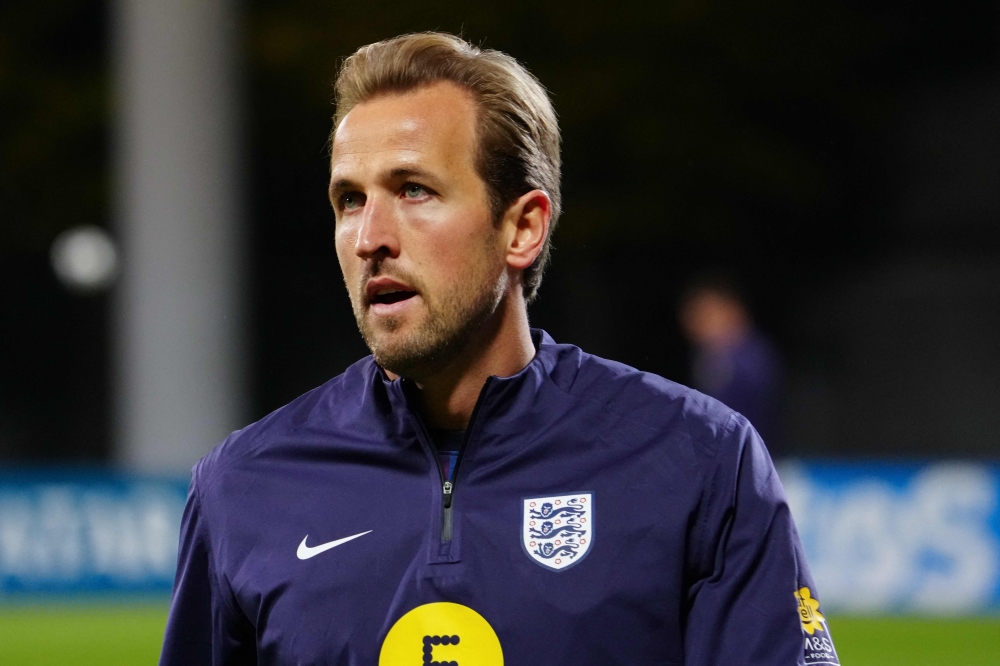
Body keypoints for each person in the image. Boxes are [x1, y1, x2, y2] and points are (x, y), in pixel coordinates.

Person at [160, 32, 838, 666]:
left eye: (414, 190)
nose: (370, 237)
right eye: (349, 200)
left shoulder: (698, 462)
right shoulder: (242, 487)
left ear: (522, 228)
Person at [678, 273, 784, 454]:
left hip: (751, 459)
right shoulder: (710, 357)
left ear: (731, 310)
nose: (694, 323)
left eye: (705, 313)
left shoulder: (751, 356)